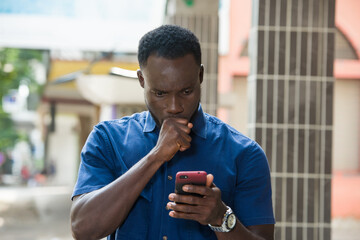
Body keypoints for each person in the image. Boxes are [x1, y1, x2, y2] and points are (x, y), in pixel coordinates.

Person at [70, 25, 275, 240]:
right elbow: (82, 229)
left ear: (201, 76)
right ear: (142, 80)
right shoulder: (107, 140)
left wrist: (220, 218)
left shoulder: (244, 154)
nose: (174, 106)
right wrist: (155, 157)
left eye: (186, 91)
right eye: (160, 93)